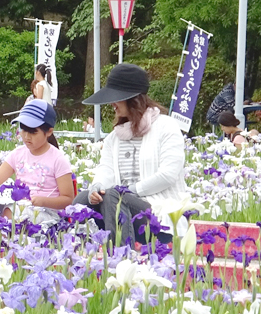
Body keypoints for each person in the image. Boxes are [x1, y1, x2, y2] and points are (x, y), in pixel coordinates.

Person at [75, 63, 187, 246]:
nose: (112, 104)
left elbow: (168, 175)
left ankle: (120, 257)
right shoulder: (114, 138)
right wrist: (97, 188)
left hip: (160, 215)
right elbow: (106, 171)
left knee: (114, 196)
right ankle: (79, 254)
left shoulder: (166, 127)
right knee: (83, 199)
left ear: (133, 99)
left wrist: (128, 191)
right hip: (119, 208)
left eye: (116, 98)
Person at [0, 99, 74, 214]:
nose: (26, 136)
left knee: (9, 214)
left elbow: (68, 199)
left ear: (49, 132)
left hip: (47, 213)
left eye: (33, 132)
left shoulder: (58, 159)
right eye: (23, 130)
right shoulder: (18, 154)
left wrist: (44, 201)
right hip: (20, 208)